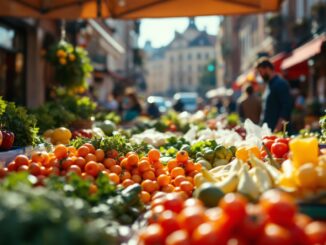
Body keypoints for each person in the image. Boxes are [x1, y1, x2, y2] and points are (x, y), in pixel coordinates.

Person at [256, 58, 292, 132]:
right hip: (268, 131)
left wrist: (277, 128)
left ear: (267, 69)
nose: (260, 75)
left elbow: (286, 108)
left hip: (277, 133)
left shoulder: (280, 84)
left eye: (260, 71)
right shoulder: (269, 85)